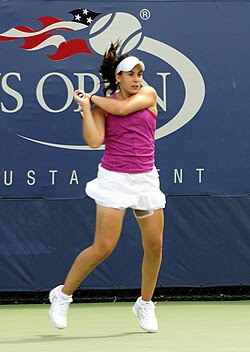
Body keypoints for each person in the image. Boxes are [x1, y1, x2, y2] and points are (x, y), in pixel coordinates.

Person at [48, 42, 166, 333]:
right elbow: (93, 140)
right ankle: (62, 295)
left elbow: (124, 108)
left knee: (154, 246)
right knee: (104, 247)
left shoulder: (148, 94)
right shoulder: (103, 104)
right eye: (130, 74)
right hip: (114, 179)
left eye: (140, 73)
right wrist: (86, 108)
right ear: (118, 77)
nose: (137, 79)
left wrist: (95, 99)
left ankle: (145, 304)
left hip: (145, 179)